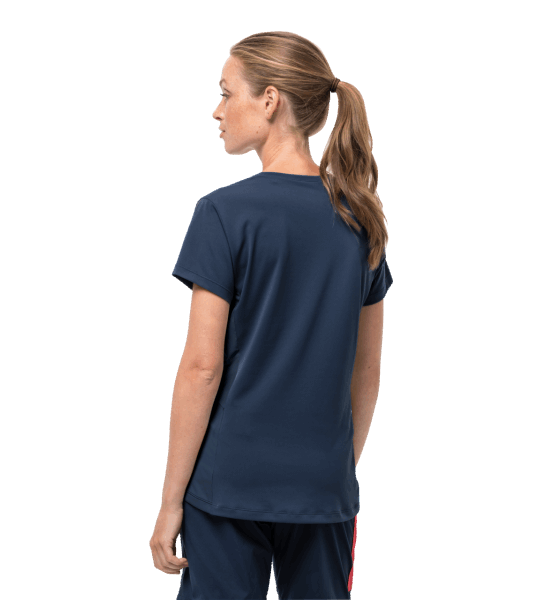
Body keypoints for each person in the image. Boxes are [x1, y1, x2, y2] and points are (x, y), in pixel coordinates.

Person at [154, 30, 392, 599]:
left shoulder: (222, 213)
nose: (217, 110)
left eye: (226, 92)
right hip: (324, 489)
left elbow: (201, 368)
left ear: (269, 100)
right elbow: (367, 369)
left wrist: (169, 501)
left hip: (228, 483)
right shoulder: (362, 221)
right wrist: (335, 468)